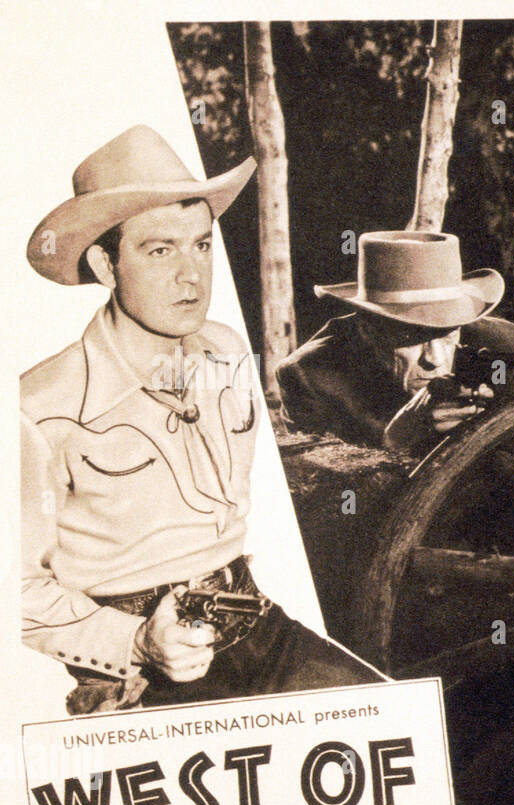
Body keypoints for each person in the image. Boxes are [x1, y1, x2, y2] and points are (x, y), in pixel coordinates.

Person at [21, 125, 384, 714]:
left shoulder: (225, 351)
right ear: (104, 264)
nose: (192, 275)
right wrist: (136, 641)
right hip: (138, 677)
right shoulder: (41, 409)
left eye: (202, 244)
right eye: (160, 250)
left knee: (408, 735)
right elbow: (17, 593)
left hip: (257, 629)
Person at [276, 230, 514, 456]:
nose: (435, 359)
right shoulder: (310, 376)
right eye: (413, 339)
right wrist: (394, 443)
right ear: (366, 330)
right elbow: (318, 502)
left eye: (447, 334)